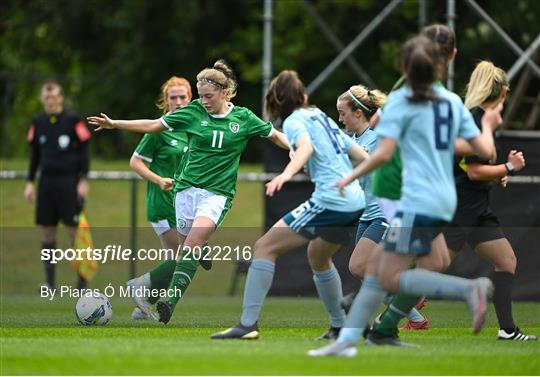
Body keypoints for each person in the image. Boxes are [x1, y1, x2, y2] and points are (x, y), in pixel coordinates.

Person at [308, 35, 500, 357]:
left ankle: (470, 289)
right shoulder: (452, 101)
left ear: (404, 67)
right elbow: (485, 150)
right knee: (423, 263)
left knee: (381, 273)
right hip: (444, 199)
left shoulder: (400, 103)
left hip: (415, 200)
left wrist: (350, 177)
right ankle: (366, 337)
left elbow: (382, 155)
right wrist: (490, 125)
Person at [88, 59, 290, 324]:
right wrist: (115, 124)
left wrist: (298, 152)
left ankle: (169, 301)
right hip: (185, 192)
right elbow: (152, 125)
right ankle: (143, 285)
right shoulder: (193, 112)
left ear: (225, 93)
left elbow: (274, 135)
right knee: (188, 252)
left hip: (217, 194)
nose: (203, 101)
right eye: (201, 96)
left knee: (192, 245)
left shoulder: (243, 118)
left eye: (208, 96)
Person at [211, 70, 371, 340]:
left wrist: (286, 174)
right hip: (354, 201)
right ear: (302, 95)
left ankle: (248, 324)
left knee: (264, 247)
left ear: (275, 101)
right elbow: (361, 156)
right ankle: (340, 326)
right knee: (318, 257)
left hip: (331, 202)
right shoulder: (320, 116)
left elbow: (306, 148)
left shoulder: (296, 120)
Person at [444, 61, 536, 341]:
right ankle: (382, 317)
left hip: (478, 209)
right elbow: (473, 172)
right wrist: (507, 169)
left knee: (506, 260)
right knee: (431, 267)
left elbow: (475, 168)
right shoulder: (476, 118)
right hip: (461, 208)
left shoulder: (483, 118)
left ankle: (507, 329)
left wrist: (496, 175)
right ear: (504, 92)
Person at [336, 85, 428, 331]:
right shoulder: (350, 141)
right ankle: (415, 314)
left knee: (358, 266)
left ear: (358, 113)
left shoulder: (378, 139)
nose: (340, 118)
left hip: (384, 212)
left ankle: (407, 293)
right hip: (365, 215)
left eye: (343, 113)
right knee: (366, 272)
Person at [126, 76, 202, 321]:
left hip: (185, 206)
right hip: (162, 204)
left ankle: (143, 305)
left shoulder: (195, 127)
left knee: (177, 259)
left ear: (190, 99)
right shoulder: (160, 129)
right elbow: (135, 162)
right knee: (187, 256)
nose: (178, 102)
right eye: (173, 98)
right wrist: (158, 179)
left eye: (183, 97)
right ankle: (141, 285)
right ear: (165, 102)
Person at [24, 80, 91, 290]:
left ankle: (82, 281)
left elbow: (85, 151)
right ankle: (50, 283)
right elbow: (34, 155)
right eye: (46, 97)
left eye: (53, 96)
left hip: (68, 183)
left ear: (60, 97)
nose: (50, 100)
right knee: (47, 232)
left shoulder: (73, 120)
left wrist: (83, 180)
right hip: (46, 184)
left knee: (74, 231)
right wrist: (29, 182)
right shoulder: (38, 122)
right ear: (42, 99)